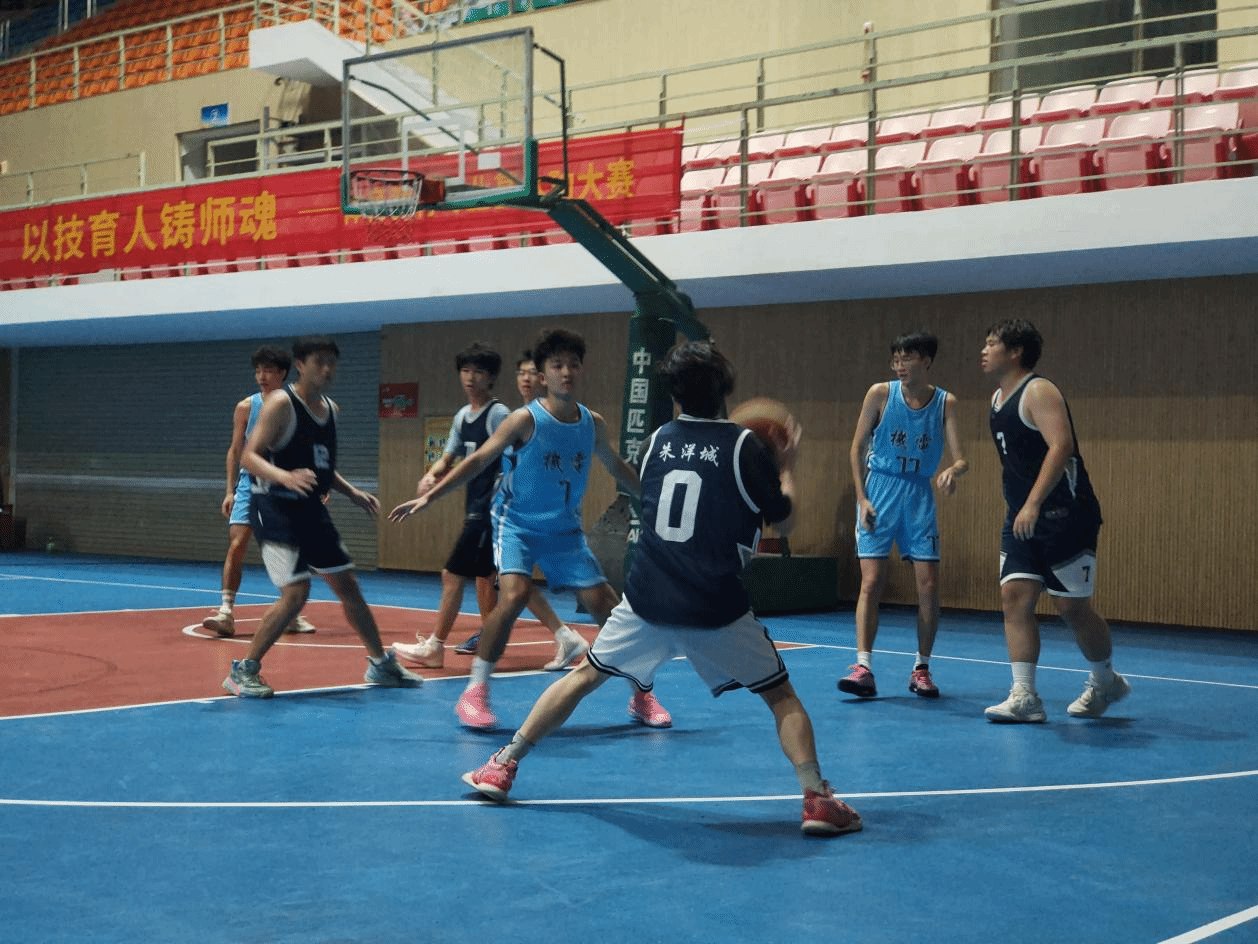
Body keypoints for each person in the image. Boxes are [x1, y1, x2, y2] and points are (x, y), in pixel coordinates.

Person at [459, 339, 862, 837]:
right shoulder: (745, 447)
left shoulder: (654, 444)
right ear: (724, 388)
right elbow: (786, 521)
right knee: (781, 697)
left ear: (673, 394)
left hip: (649, 598)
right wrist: (785, 466)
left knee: (583, 677)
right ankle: (817, 798)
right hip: (714, 605)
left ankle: (502, 764)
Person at [390, 328, 671, 730]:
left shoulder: (592, 423)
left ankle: (641, 695)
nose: (566, 372)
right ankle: (475, 692)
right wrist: (430, 496)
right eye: (557, 365)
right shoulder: (524, 420)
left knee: (606, 606)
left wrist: (650, 497)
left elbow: (615, 466)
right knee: (515, 594)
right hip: (516, 525)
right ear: (543, 375)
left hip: (565, 531)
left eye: (573, 364)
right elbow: (479, 460)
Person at [222, 335, 422, 697]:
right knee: (297, 592)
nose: (327, 369)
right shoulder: (281, 403)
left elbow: (321, 465)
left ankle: (380, 664)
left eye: (332, 362)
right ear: (300, 365)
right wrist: (285, 476)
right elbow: (248, 457)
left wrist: (352, 492)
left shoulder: (330, 409)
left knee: (348, 586)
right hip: (273, 508)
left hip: (310, 509)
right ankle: (243, 670)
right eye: (319, 362)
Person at [390, 344, 588, 671]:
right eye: (466, 371)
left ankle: (436, 646)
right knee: (506, 582)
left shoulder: (499, 415)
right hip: (478, 508)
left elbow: (508, 456)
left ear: (492, 377)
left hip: (492, 510)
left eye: (478, 372)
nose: (471, 378)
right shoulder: (462, 417)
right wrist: (432, 475)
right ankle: (559, 635)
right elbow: (449, 457)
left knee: (453, 575)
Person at [981, 319, 1130, 723]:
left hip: (1065, 516)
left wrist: (1033, 503)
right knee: (1015, 598)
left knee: (1071, 608)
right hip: (1021, 516)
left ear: (1015, 352)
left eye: (992, 343)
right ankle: (1024, 696)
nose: (984, 350)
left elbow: (1061, 446)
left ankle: (1105, 680)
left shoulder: (1038, 391)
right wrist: (1020, 506)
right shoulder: (996, 398)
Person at [838, 331, 968, 699]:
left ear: (926, 361)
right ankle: (863, 667)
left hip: (918, 494)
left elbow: (962, 458)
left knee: (928, 585)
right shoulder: (880, 394)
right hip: (879, 489)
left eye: (907, 358)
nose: (899, 365)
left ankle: (921, 668)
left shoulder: (945, 403)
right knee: (871, 581)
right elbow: (856, 447)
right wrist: (861, 498)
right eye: (895, 358)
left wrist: (953, 471)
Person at [201, 346, 316, 638]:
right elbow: (235, 450)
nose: (261, 376)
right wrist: (230, 491)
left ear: (283, 373)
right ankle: (226, 612)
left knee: (286, 549)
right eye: (258, 371)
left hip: (282, 486)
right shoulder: (246, 407)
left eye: (268, 371)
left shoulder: (295, 406)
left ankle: (291, 614)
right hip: (249, 484)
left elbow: (306, 448)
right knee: (237, 544)